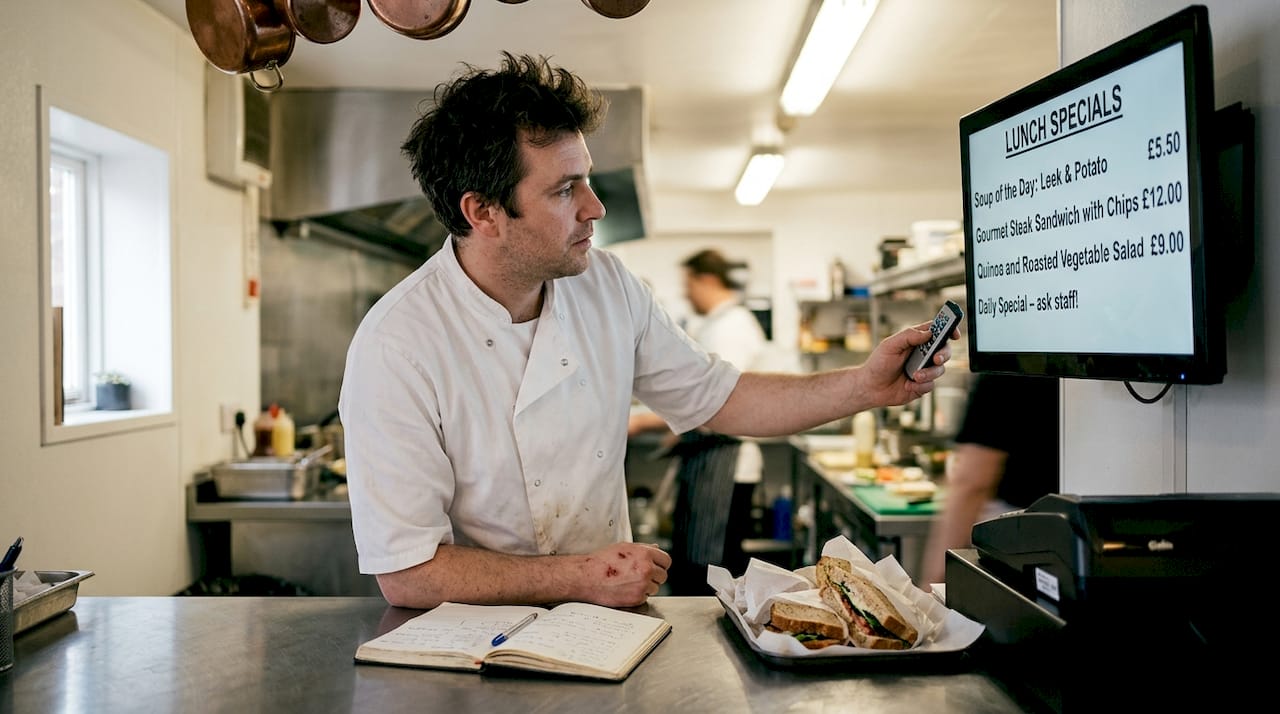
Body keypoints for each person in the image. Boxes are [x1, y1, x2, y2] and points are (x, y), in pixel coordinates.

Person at [339, 52, 956, 611]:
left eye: (586, 178)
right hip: (468, 649)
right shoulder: (398, 344)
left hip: (602, 628)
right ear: (484, 213)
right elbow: (410, 572)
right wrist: (576, 576)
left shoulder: (605, 285)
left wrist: (865, 387)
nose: (594, 207)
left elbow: (722, 398)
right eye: (564, 189)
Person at [628, 248, 767, 588]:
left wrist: (643, 421)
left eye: (688, 284)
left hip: (725, 461)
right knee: (696, 564)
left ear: (707, 279)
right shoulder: (718, 324)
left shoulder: (732, 326)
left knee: (711, 572)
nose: (686, 293)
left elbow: (717, 401)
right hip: (709, 458)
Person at [920, 374, 1060, 589]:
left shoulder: (1005, 364)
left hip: (1013, 540)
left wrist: (934, 583)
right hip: (1070, 541)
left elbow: (971, 482)